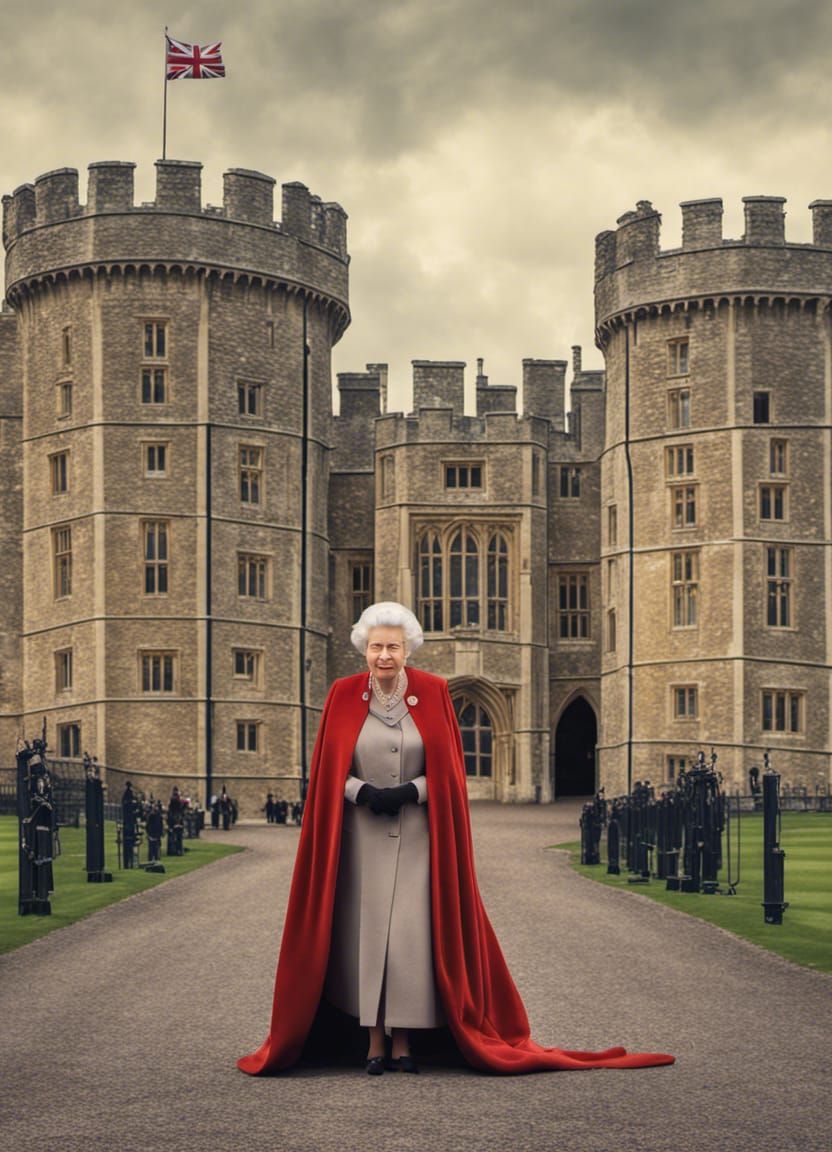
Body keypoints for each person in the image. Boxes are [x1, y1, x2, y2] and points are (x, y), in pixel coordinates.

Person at [238, 602, 674, 1077]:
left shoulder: (434, 691)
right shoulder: (342, 694)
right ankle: (373, 1041)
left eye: (394, 647)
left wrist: (412, 790)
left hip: (421, 838)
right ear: (365, 649)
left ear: (408, 651)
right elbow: (327, 773)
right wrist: (360, 790)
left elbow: (448, 775)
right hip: (359, 839)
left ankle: (405, 1040)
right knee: (363, 939)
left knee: (409, 939)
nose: (384, 655)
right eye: (377, 646)